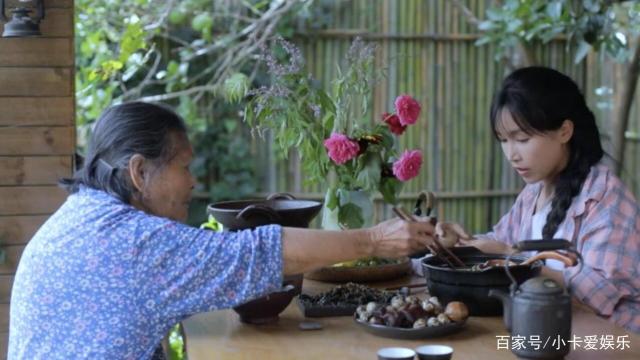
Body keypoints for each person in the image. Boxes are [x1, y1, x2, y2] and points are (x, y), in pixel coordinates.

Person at [8, 102, 436, 359]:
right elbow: (259, 251)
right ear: (139, 171)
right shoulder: (136, 242)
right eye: (184, 166)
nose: (193, 182)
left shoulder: (79, 217)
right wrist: (375, 238)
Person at [437, 66, 640, 333]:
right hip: (547, 332)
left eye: (522, 139)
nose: (512, 154)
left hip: (606, 343)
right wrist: (456, 244)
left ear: (565, 131)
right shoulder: (533, 193)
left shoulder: (604, 196)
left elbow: (600, 294)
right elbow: (500, 243)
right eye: (503, 140)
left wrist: (517, 261)